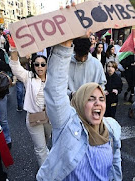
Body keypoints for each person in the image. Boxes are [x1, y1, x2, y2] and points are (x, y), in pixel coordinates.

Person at [37, 37, 122, 181]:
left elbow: (115, 166)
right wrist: (64, 46)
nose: (97, 103)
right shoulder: (67, 125)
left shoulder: (112, 128)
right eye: (90, 98)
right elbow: (56, 90)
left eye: (101, 99)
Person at [9, 46, 51, 166]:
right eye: (37, 64)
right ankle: (45, 175)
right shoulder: (28, 77)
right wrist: (13, 49)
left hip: (49, 118)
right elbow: (15, 67)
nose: (40, 67)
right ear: (33, 65)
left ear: (47, 66)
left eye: (43, 64)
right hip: (34, 118)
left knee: (46, 142)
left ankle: (46, 157)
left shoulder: (52, 79)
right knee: (40, 148)